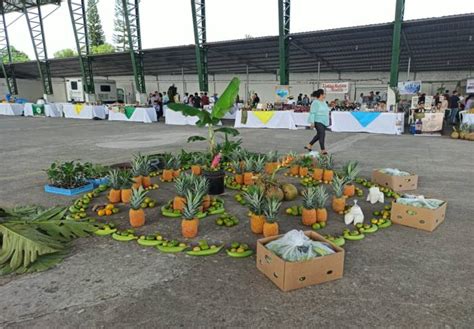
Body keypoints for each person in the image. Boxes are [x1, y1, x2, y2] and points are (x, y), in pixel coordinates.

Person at [305, 89, 330, 154]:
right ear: (321, 95)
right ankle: (323, 150)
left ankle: (309, 145)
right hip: (317, 121)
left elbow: (326, 110)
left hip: (324, 121)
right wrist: (312, 122)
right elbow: (312, 113)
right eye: (324, 93)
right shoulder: (315, 102)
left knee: (319, 135)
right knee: (322, 134)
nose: (325, 95)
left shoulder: (324, 102)